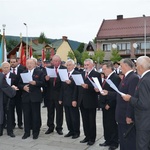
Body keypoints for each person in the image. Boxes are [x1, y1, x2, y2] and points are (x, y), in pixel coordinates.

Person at [122, 56, 150, 150]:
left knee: (142, 146)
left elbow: (144, 104)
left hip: (144, 121)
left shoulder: (145, 80)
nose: (135, 68)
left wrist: (130, 98)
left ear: (141, 67)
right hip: (146, 120)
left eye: (136, 65)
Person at [116, 58, 139, 150]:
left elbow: (131, 97)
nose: (120, 68)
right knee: (123, 139)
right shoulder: (126, 77)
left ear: (126, 65)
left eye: (121, 66)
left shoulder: (133, 78)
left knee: (129, 140)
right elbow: (121, 94)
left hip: (126, 115)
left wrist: (129, 115)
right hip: (121, 114)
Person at [18, 58, 45, 139]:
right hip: (26, 97)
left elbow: (43, 83)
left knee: (35, 115)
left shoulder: (39, 72)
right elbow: (19, 84)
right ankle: (27, 132)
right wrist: (23, 87)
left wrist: (35, 83)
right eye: (28, 63)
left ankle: (35, 132)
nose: (29, 65)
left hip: (35, 97)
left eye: (31, 63)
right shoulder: (23, 72)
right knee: (26, 115)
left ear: (35, 64)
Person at [78, 58, 102, 146]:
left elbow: (97, 88)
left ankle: (92, 138)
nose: (86, 67)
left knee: (91, 121)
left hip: (91, 101)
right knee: (85, 120)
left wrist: (88, 87)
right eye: (85, 65)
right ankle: (86, 136)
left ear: (92, 65)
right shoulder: (82, 73)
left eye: (87, 65)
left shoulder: (96, 74)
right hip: (82, 101)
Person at [99, 62, 121, 150]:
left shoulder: (115, 77)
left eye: (104, 69)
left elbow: (116, 92)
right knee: (106, 123)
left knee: (112, 124)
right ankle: (107, 140)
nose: (103, 71)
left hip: (111, 105)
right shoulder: (107, 77)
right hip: (105, 104)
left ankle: (114, 142)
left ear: (109, 68)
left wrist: (109, 104)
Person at [45, 55, 66, 135]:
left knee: (59, 112)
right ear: (52, 61)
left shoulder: (64, 69)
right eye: (54, 61)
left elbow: (64, 84)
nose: (56, 62)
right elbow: (45, 83)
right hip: (50, 94)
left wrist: (61, 96)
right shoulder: (48, 68)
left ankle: (59, 128)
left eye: (57, 61)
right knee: (50, 111)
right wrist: (46, 79)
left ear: (60, 61)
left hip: (59, 94)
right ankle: (50, 127)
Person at [59, 59, 80, 139]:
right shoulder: (65, 74)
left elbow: (77, 88)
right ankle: (70, 130)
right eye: (67, 65)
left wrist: (74, 100)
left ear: (74, 65)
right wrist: (60, 98)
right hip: (65, 98)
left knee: (74, 116)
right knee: (68, 116)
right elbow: (62, 87)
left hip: (73, 98)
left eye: (70, 65)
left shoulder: (76, 73)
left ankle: (76, 132)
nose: (68, 66)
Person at [1, 62, 18, 137]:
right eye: (4, 67)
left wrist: (14, 88)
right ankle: (1, 129)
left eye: (7, 67)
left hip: (10, 99)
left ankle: (10, 131)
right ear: (2, 68)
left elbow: (18, 85)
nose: (6, 69)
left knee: (10, 115)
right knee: (1, 115)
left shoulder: (14, 76)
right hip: (2, 98)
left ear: (9, 68)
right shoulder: (1, 76)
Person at [10, 58, 26, 129]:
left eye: (14, 62)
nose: (13, 63)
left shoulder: (21, 70)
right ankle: (12, 123)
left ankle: (20, 123)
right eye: (11, 62)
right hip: (10, 94)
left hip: (19, 93)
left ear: (17, 63)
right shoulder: (8, 71)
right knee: (11, 110)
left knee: (19, 109)